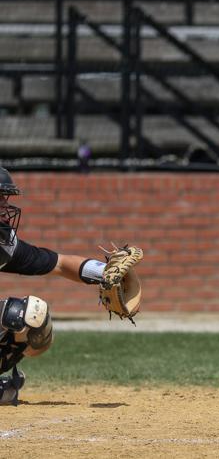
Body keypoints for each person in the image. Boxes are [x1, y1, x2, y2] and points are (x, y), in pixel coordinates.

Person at [0, 167, 113, 405]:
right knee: (11, 314)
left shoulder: (4, 246)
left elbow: (59, 264)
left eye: (4, 199)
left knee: (29, 317)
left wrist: (107, 274)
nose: (4, 208)